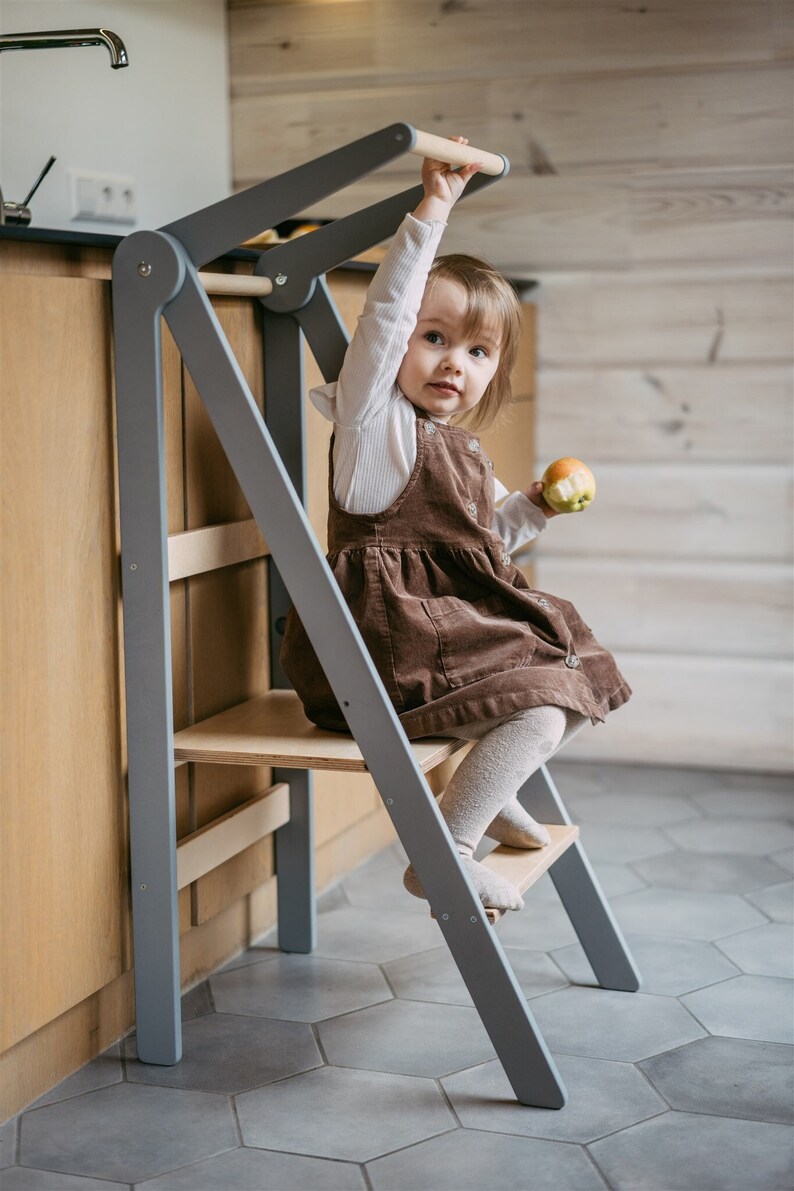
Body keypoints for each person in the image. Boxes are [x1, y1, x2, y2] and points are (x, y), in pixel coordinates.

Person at [281, 139, 631, 912]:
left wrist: (534, 504)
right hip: (387, 647)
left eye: (476, 351)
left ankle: (481, 786)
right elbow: (385, 313)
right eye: (433, 338)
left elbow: (486, 539)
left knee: (579, 673)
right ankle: (449, 846)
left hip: (437, 633)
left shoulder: (459, 447)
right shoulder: (374, 426)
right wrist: (432, 208)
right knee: (545, 701)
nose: (453, 363)